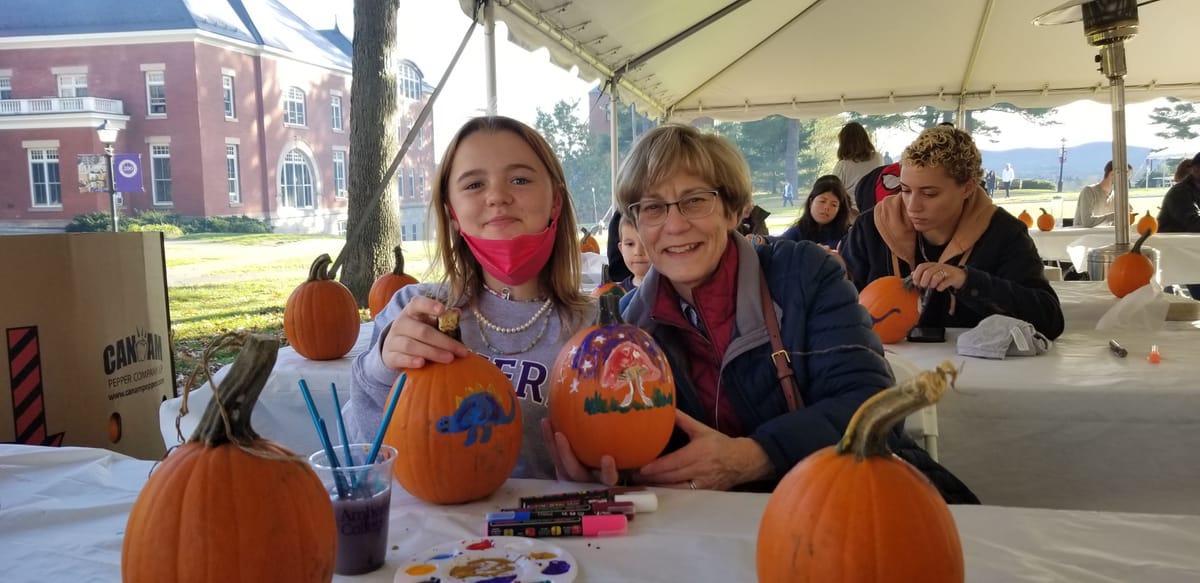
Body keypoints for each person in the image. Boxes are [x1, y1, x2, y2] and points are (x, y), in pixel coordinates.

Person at [545, 124, 976, 502]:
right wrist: (611, 468)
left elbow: (872, 405)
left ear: (735, 210)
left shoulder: (805, 275)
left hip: (843, 508)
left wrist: (754, 456)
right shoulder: (628, 330)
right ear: (635, 225)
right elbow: (632, 438)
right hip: (711, 530)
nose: (674, 225)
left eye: (695, 201)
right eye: (652, 208)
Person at [343, 116, 596, 480]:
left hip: (545, 530)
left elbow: (617, 450)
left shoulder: (596, 330)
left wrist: (604, 477)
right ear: (452, 213)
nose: (497, 197)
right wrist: (381, 369)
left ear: (555, 202)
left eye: (520, 180)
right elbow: (361, 456)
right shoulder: (412, 313)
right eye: (475, 184)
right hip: (431, 531)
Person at [842, 125, 1065, 340]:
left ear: (967, 188)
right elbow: (837, 309)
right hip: (888, 370)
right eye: (906, 190)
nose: (912, 205)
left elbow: (1049, 319)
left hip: (978, 374)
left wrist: (968, 281)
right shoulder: (871, 227)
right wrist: (830, 277)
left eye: (929, 194)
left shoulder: (1004, 233)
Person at [779, 174, 852, 250]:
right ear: (811, 202)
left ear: (839, 209)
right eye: (822, 201)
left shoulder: (848, 235)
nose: (826, 207)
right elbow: (778, 244)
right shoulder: (799, 230)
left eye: (833, 205)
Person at [832, 121, 884, 201]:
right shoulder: (878, 158)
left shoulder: (842, 165)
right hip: (874, 207)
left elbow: (834, 191)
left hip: (851, 210)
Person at [1073, 161, 1129, 228]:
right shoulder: (1089, 191)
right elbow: (1087, 222)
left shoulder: (1115, 196)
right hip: (1082, 236)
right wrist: (1117, 215)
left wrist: (1125, 213)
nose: (1127, 181)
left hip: (1102, 236)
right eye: (1126, 176)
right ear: (1112, 174)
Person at [1157, 152, 1200, 233]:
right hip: (1170, 242)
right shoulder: (1180, 192)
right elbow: (1193, 224)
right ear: (1195, 169)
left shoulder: (1195, 190)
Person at [615, 215, 649, 291]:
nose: (638, 252)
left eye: (646, 244)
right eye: (630, 244)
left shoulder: (674, 290)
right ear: (621, 249)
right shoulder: (618, 293)